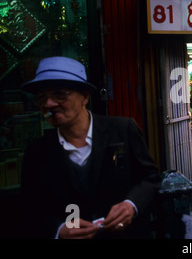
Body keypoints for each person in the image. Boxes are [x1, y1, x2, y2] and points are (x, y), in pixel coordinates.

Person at [20, 56, 161, 239]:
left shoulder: (123, 130)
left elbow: (150, 178)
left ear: (84, 97)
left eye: (59, 94)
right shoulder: (37, 152)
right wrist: (58, 229)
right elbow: (31, 208)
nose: (49, 104)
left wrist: (131, 205)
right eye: (42, 98)